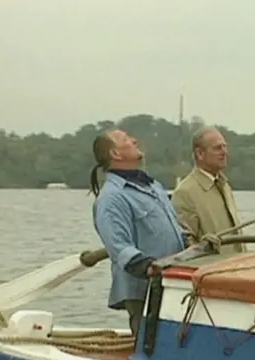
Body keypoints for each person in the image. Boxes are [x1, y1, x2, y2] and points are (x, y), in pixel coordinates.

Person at [90, 129, 186, 335]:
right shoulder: (111, 198)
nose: (134, 140)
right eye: (126, 139)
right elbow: (118, 247)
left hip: (176, 285)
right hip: (145, 292)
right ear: (115, 154)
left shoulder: (155, 187)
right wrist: (148, 266)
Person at [171, 126, 247, 254]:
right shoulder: (184, 192)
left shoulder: (224, 185)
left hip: (236, 267)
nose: (224, 152)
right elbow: (184, 244)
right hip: (212, 270)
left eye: (225, 147)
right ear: (199, 154)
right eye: (217, 148)